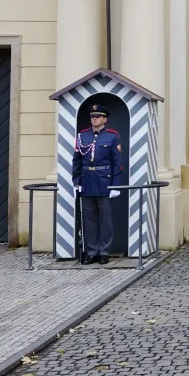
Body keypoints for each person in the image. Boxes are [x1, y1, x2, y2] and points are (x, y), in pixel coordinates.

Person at [72, 104, 123, 265]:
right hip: (87, 181)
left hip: (104, 181)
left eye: (98, 117)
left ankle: (104, 252)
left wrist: (115, 185)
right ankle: (92, 251)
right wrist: (76, 181)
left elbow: (117, 163)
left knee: (105, 219)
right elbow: (77, 161)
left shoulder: (112, 136)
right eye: (93, 117)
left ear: (104, 119)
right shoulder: (82, 136)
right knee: (89, 220)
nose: (94, 119)